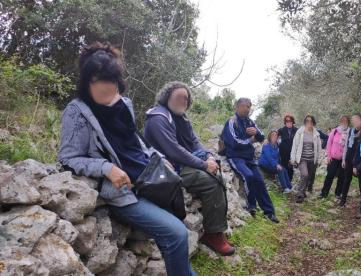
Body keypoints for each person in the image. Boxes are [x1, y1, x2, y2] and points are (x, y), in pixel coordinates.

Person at [58, 43, 195, 275]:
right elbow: (68, 157)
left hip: (151, 181)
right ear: (87, 81)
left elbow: (135, 141)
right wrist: (106, 167)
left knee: (175, 231)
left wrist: (158, 156)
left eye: (110, 79)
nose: (105, 87)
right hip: (124, 194)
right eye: (97, 80)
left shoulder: (125, 104)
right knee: (176, 233)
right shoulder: (77, 111)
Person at [143, 81, 234, 256]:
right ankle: (213, 235)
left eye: (186, 98)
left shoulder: (182, 119)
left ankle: (217, 230)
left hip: (182, 164)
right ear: (166, 97)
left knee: (218, 176)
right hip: (167, 168)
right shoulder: (158, 118)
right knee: (211, 182)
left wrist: (208, 155)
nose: (183, 101)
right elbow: (173, 150)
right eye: (178, 97)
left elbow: (194, 142)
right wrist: (203, 165)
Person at [222, 98, 279, 223]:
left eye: (248, 106)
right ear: (237, 107)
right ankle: (251, 206)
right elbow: (233, 142)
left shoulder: (250, 121)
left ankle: (269, 212)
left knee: (260, 181)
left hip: (249, 157)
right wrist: (250, 140)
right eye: (243, 106)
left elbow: (262, 137)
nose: (246, 109)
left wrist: (256, 133)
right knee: (248, 175)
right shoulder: (231, 122)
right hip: (235, 157)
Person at [290, 115, 322, 203]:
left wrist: (319, 160)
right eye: (307, 121)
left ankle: (303, 191)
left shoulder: (316, 134)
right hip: (302, 158)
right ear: (305, 122)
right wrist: (293, 158)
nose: (309, 123)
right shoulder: (300, 132)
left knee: (309, 177)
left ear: (313, 122)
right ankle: (299, 195)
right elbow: (295, 145)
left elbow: (319, 148)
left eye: (311, 121)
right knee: (304, 175)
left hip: (312, 159)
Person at [319, 115, 350, 199]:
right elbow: (329, 144)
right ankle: (324, 193)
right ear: (340, 122)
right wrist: (328, 156)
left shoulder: (350, 133)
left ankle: (338, 193)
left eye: (345, 121)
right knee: (330, 175)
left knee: (342, 177)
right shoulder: (335, 131)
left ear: (348, 122)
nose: (344, 122)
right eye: (342, 121)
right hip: (333, 157)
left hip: (344, 159)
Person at [338, 114, 361, 207]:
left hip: (360, 159)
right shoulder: (351, 131)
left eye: (356, 120)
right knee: (346, 179)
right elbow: (346, 145)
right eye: (353, 120)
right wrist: (344, 159)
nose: (354, 122)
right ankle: (343, 200)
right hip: (349, 157)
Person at [277, 115, 298, 181]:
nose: (288, 122)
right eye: (286, 121)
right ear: (285, 122)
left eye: (290, 120)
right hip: (283, 152)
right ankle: (285, 183)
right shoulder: (281, 130)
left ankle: (289, 182)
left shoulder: (296, 130)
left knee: (290, 167)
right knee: (284, 167)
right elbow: (274, 136)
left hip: (292, 152)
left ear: (292, 121)